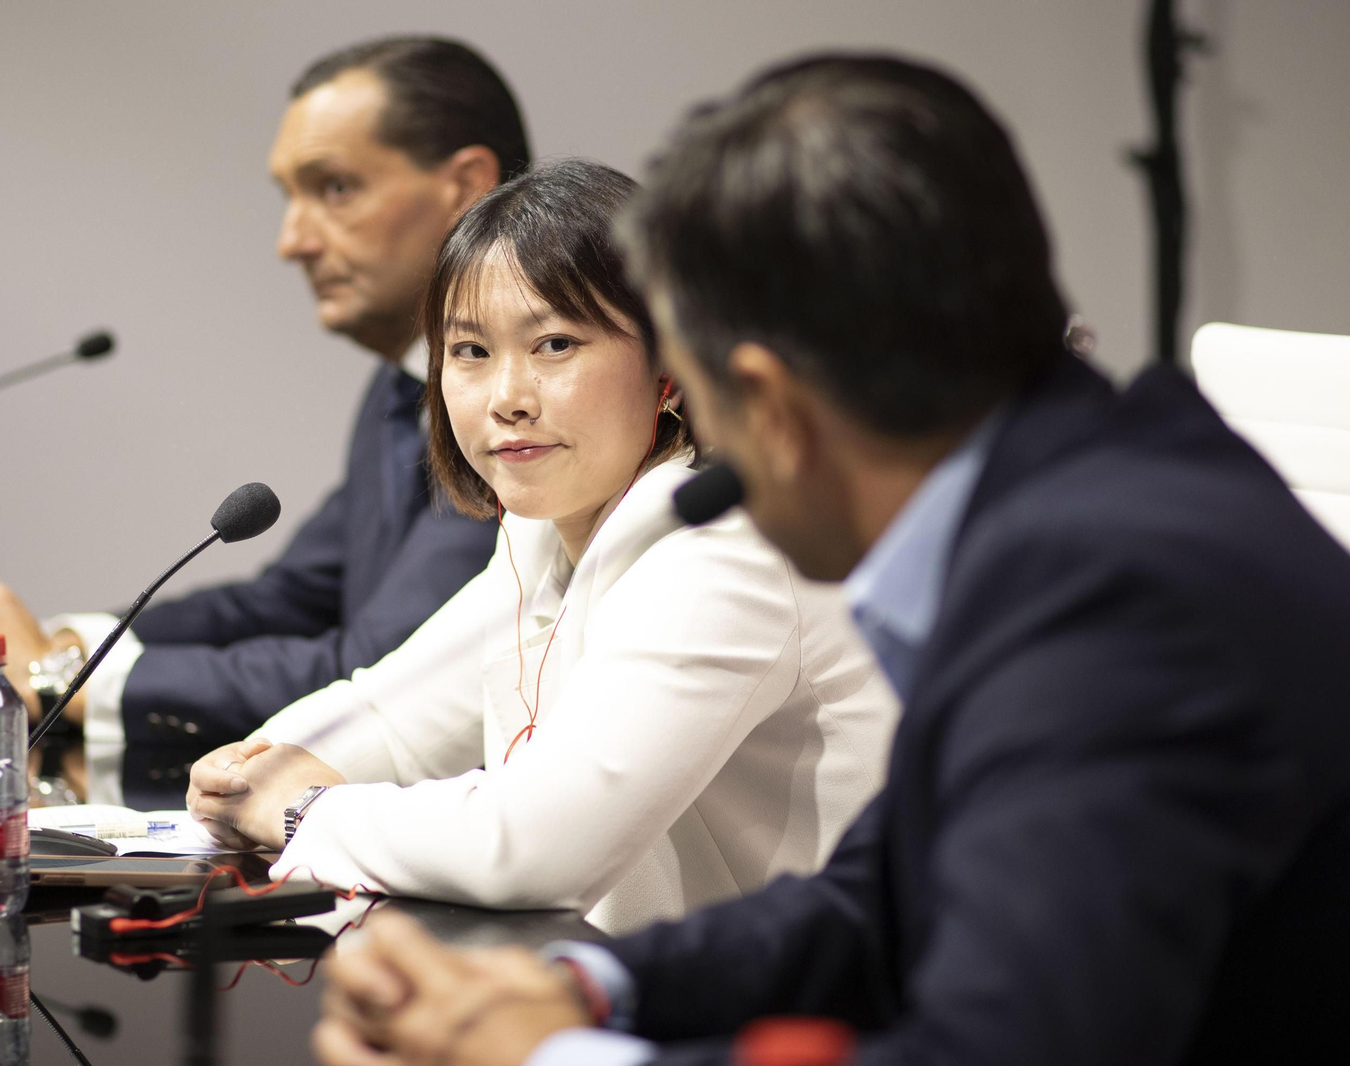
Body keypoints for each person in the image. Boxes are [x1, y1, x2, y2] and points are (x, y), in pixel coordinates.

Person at [308, 54, 1350, 1066]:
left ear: (768, 404)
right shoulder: (1084, 488)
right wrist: (586, 988)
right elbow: (876, 899)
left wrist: (554, 1059)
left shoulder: (1107, 602)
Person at [184, 159, 899, 936]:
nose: (507, 399)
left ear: (670, 367)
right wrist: (249, 770)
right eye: (469, 351)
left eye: (555, 344)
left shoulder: (727, 550)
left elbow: (533, 847)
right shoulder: (542, 535)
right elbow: (394, 720)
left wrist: (302, 810)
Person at [0, 38, 520, 772]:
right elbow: (283, 602)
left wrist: (60, 677)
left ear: (466, 187)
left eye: (335, 188)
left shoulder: (518, 416)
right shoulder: (398, 389)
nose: (292, 241)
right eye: (289, 197)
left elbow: (377, 667)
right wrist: (54, 648)